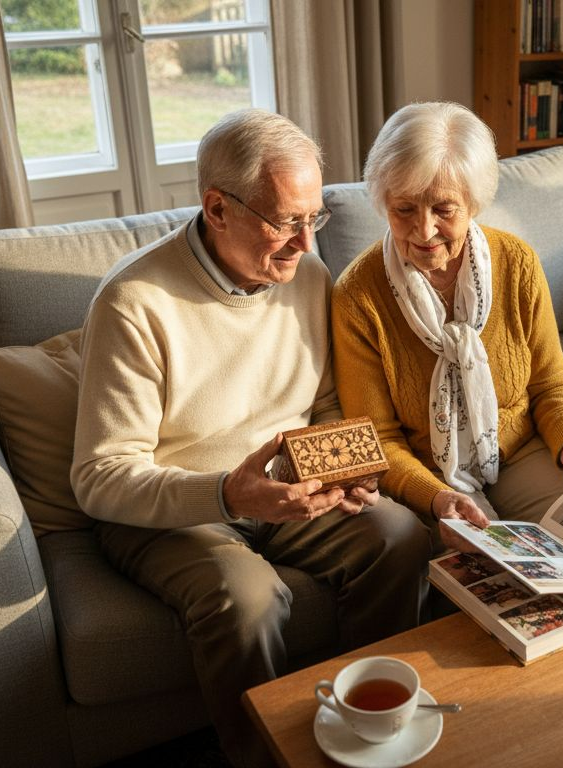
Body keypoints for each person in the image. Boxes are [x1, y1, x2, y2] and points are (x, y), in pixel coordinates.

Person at [71, 109, 430, 768]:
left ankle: (366, 732)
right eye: (284, 221)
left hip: (285, 490)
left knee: (400, 537)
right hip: (173, 508)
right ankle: (265, 757)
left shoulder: (309, 279)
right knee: (247, 599)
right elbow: (99, 476)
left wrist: (343, 465)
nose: (303, 243)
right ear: (217, 208)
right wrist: (229, 496)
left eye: (311, 218)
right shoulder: (133, 302)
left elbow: (321, 401)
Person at [331, 101, 563, 547]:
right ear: (383, 202)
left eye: (444, 209)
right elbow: (376, 437)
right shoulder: (358, 296)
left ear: (473, 202)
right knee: (484, 564)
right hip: (427, 472)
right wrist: (436, 497)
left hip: (517, 450)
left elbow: (550, 382)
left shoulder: (516, 262)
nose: (424, 231)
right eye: (404, 209)